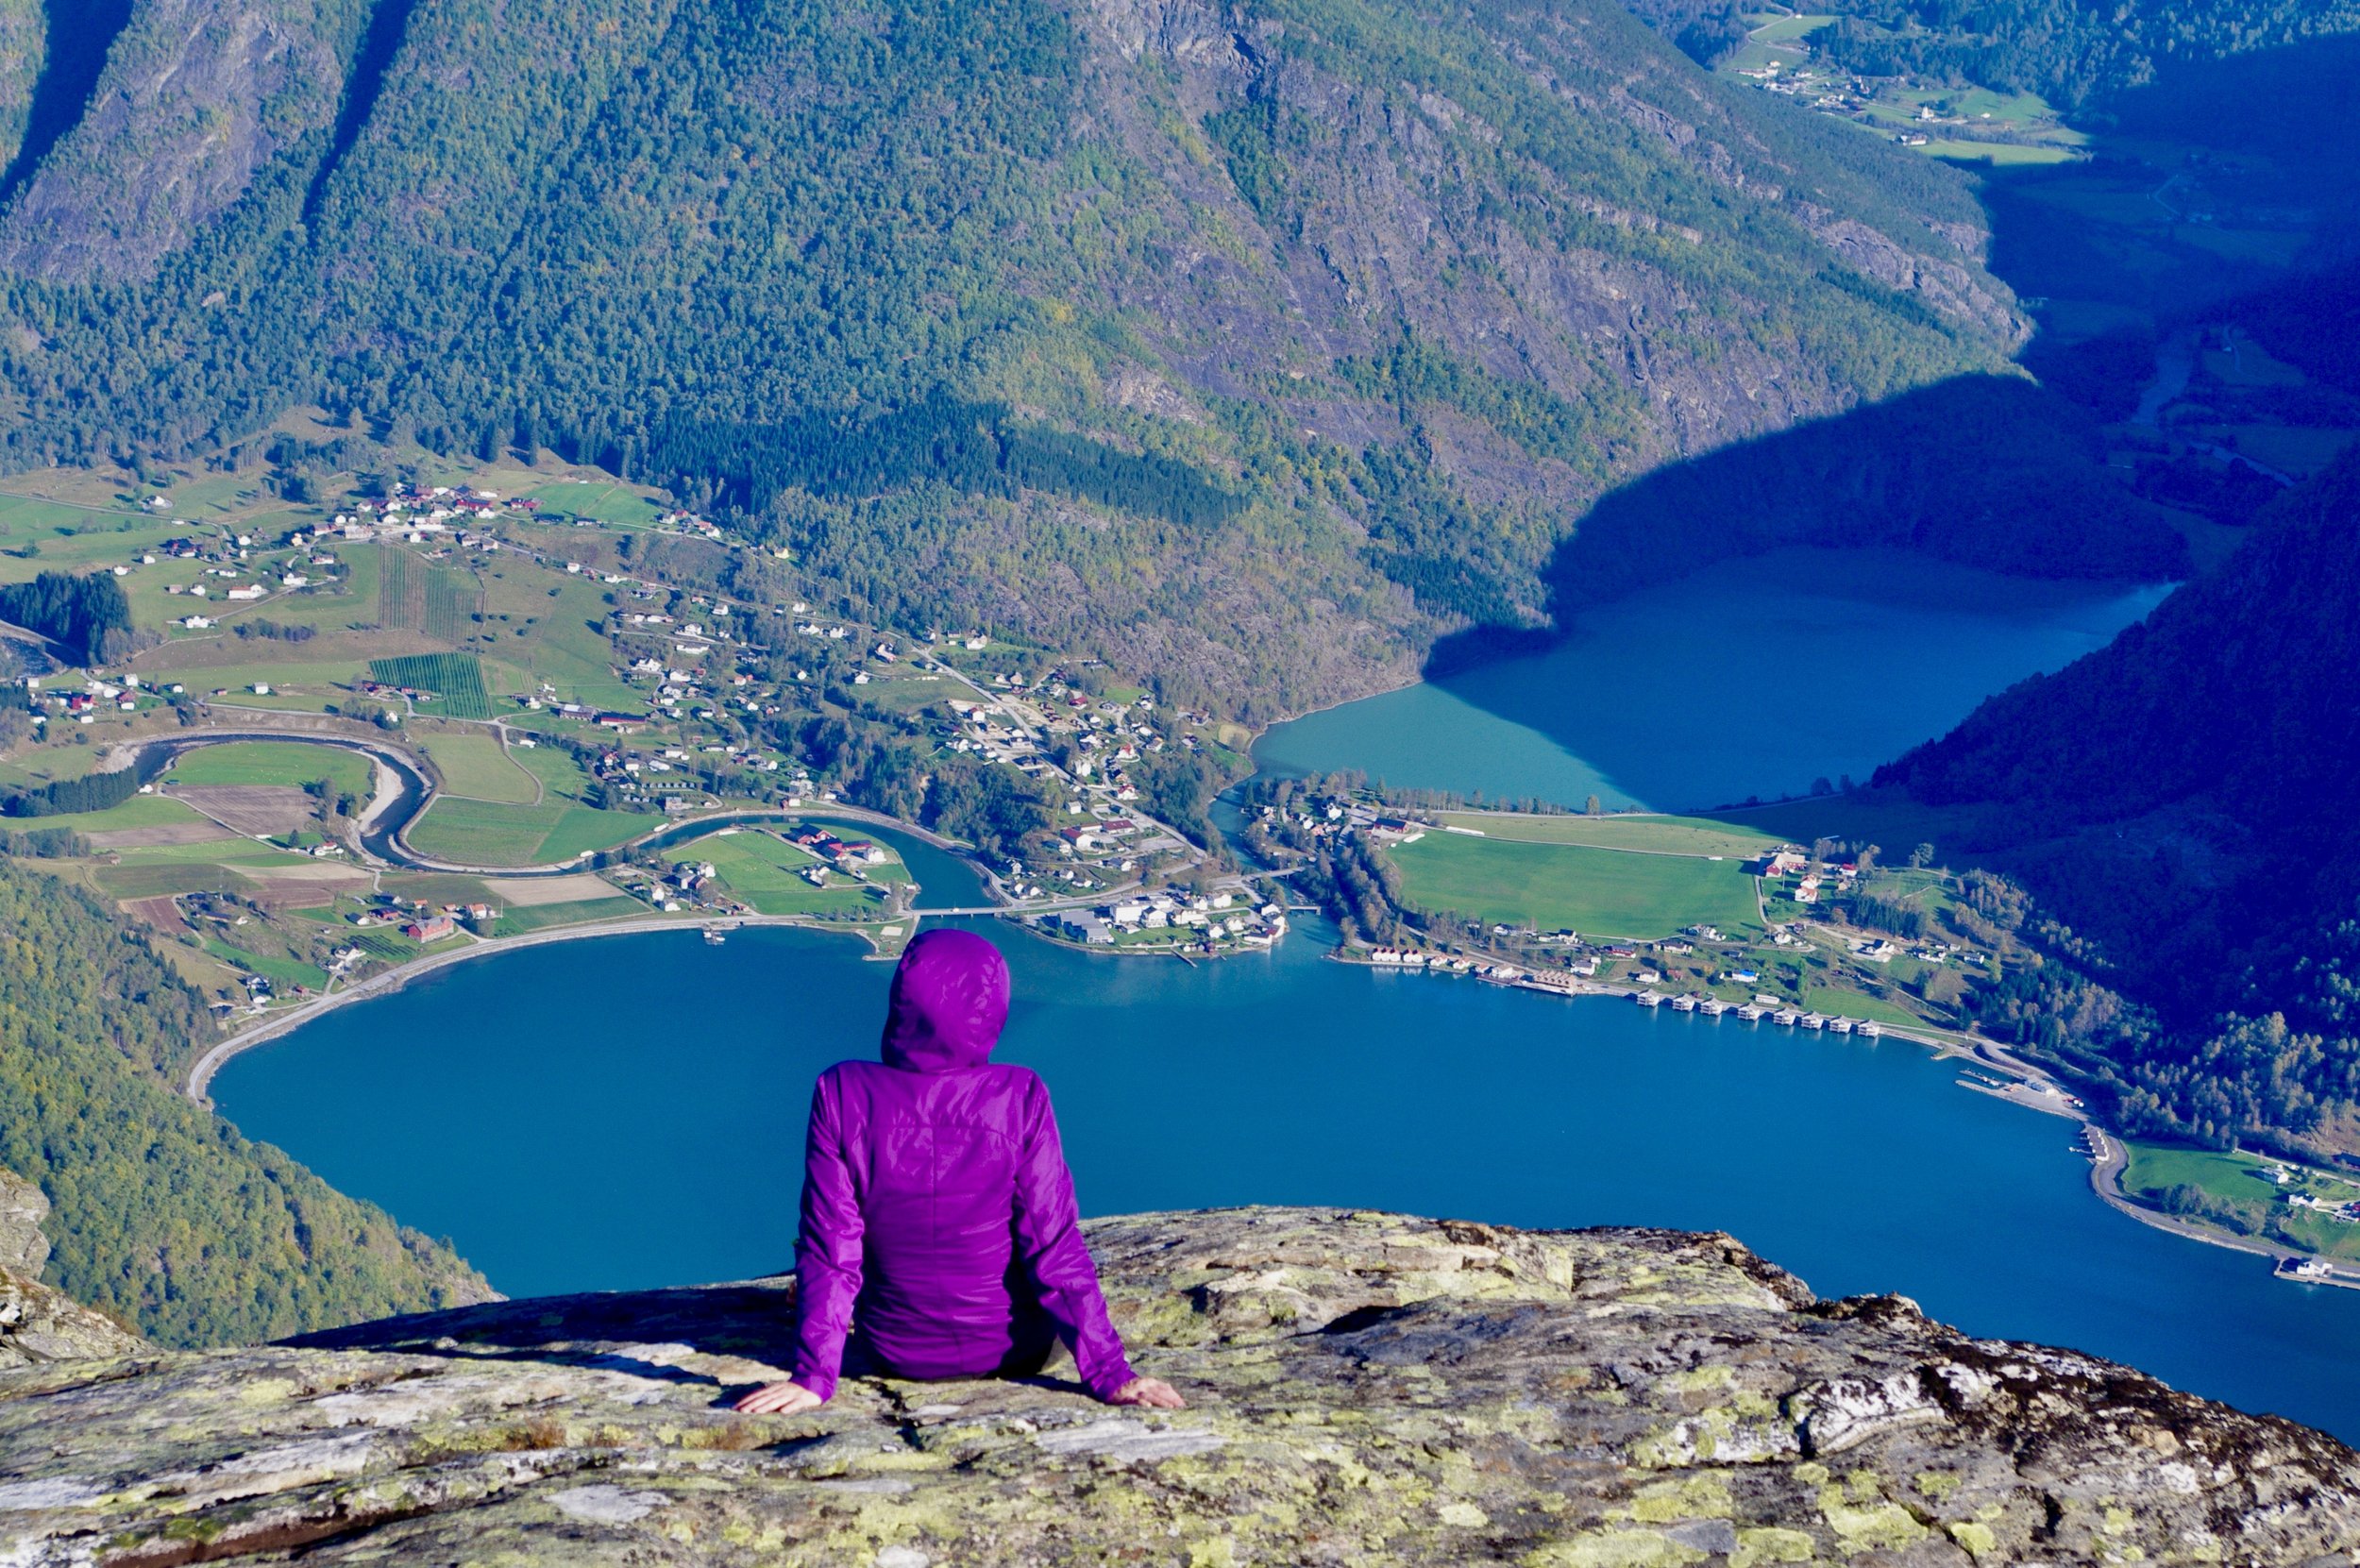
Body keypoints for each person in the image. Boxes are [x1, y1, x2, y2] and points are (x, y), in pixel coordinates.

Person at [735, 927, 1183, 1414]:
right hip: (1015, 1350)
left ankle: (828, 1307)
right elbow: (1054, 1248)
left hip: (895, 1352)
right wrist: (1110, 1372)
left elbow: (832, 1244)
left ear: (902, 1000)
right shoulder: (1019, 1095)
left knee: (833, 1262)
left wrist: (814, 1377)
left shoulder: (842, 1092)